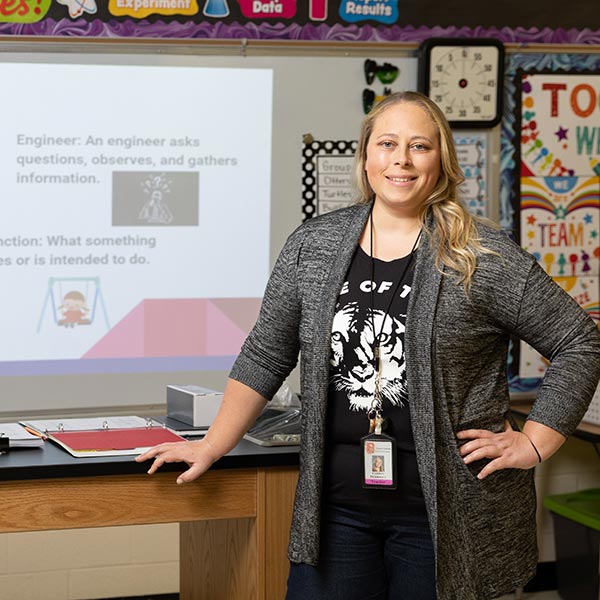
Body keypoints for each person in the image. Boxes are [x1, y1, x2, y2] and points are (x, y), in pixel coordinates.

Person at [136, 91, 600, 599]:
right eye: (387, 143)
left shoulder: (481, 258)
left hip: (446, 517)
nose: (401, 159)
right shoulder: (313, 245)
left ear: (441, 160)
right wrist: (212, 444)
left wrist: (537, 440)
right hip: (336, 513)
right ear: (366, 156)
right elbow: (266, 353)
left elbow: (579, 341)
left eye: (419, 146)